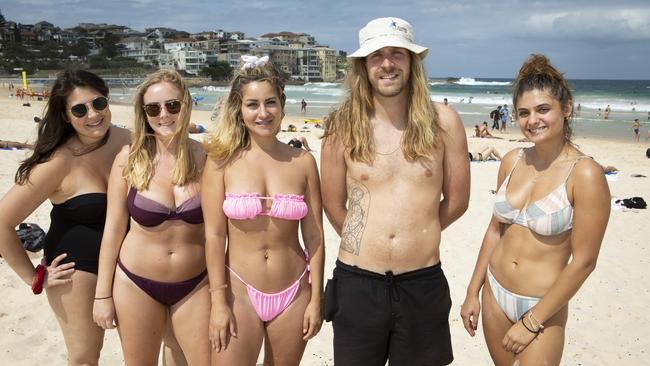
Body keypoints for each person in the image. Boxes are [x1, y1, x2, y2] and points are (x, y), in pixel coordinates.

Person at [321, 17, 470, 366]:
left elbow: (459, 201)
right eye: (377, 56)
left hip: (422, 283)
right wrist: (368, 240)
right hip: (357, 284)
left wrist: (416, 232)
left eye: (396, 54)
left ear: (412, 61)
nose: (387, 64)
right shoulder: (341, 127)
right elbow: (332, 203)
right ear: (363, 66)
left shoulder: (444, 121)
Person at [460, 54, 610, 365]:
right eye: (523, 113)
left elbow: (584, 262)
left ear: (566, 109)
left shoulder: (585, 174)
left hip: (542, 305)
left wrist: (532, 322)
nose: (533, 120)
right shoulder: (512, 161)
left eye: (543, 109)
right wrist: (473, 290)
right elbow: (494, 230)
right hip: (495, 293)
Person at [0, 70, 130, 365]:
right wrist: (33, 277)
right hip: (76, 269)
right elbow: (2, 222)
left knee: (136, 354)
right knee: (85, 356)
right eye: (80, 109)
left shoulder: (129, 141)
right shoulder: (58, 161)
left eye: (98, 103)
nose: (93, 114)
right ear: (66, 115)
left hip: (129, 263)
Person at [202, 55, 324, 365]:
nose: (263, 113)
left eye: (270, 102)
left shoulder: (303, 162)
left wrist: (316, 299)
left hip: (295, 291)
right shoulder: (221, 162)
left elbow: (314, 236)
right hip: (238, 290)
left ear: (282, 105)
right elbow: (214, 236)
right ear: (239, 110)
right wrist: (218, 302)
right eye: (252, 104)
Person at [93, 69, 211, 365]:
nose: (164, 115)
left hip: (196, 283)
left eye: (173, 105)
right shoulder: (129, 159)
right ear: (143, 113)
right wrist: (102, 295)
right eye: (153, 108)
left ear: (186, 105)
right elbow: (113, 230)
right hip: (136, 283)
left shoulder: (208, 158)